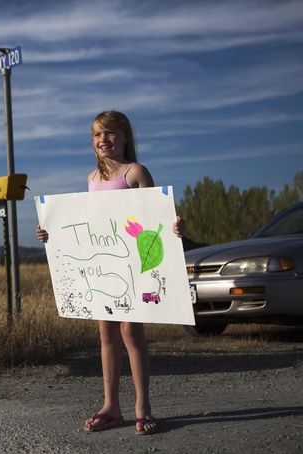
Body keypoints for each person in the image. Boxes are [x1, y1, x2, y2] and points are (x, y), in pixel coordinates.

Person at [36, 111, 185, 435]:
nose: (103, 140)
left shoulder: (135, 172)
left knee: (132, 333)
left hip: (133, 264)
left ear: (126, 136)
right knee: (106, 335)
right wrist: (52, 234)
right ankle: (110, 405)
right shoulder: (92, 178)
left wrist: (174, 226)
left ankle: (142, 406)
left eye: (110, 133)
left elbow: (155, 218)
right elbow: (87, 226)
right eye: (96, 135)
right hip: (105, 264)